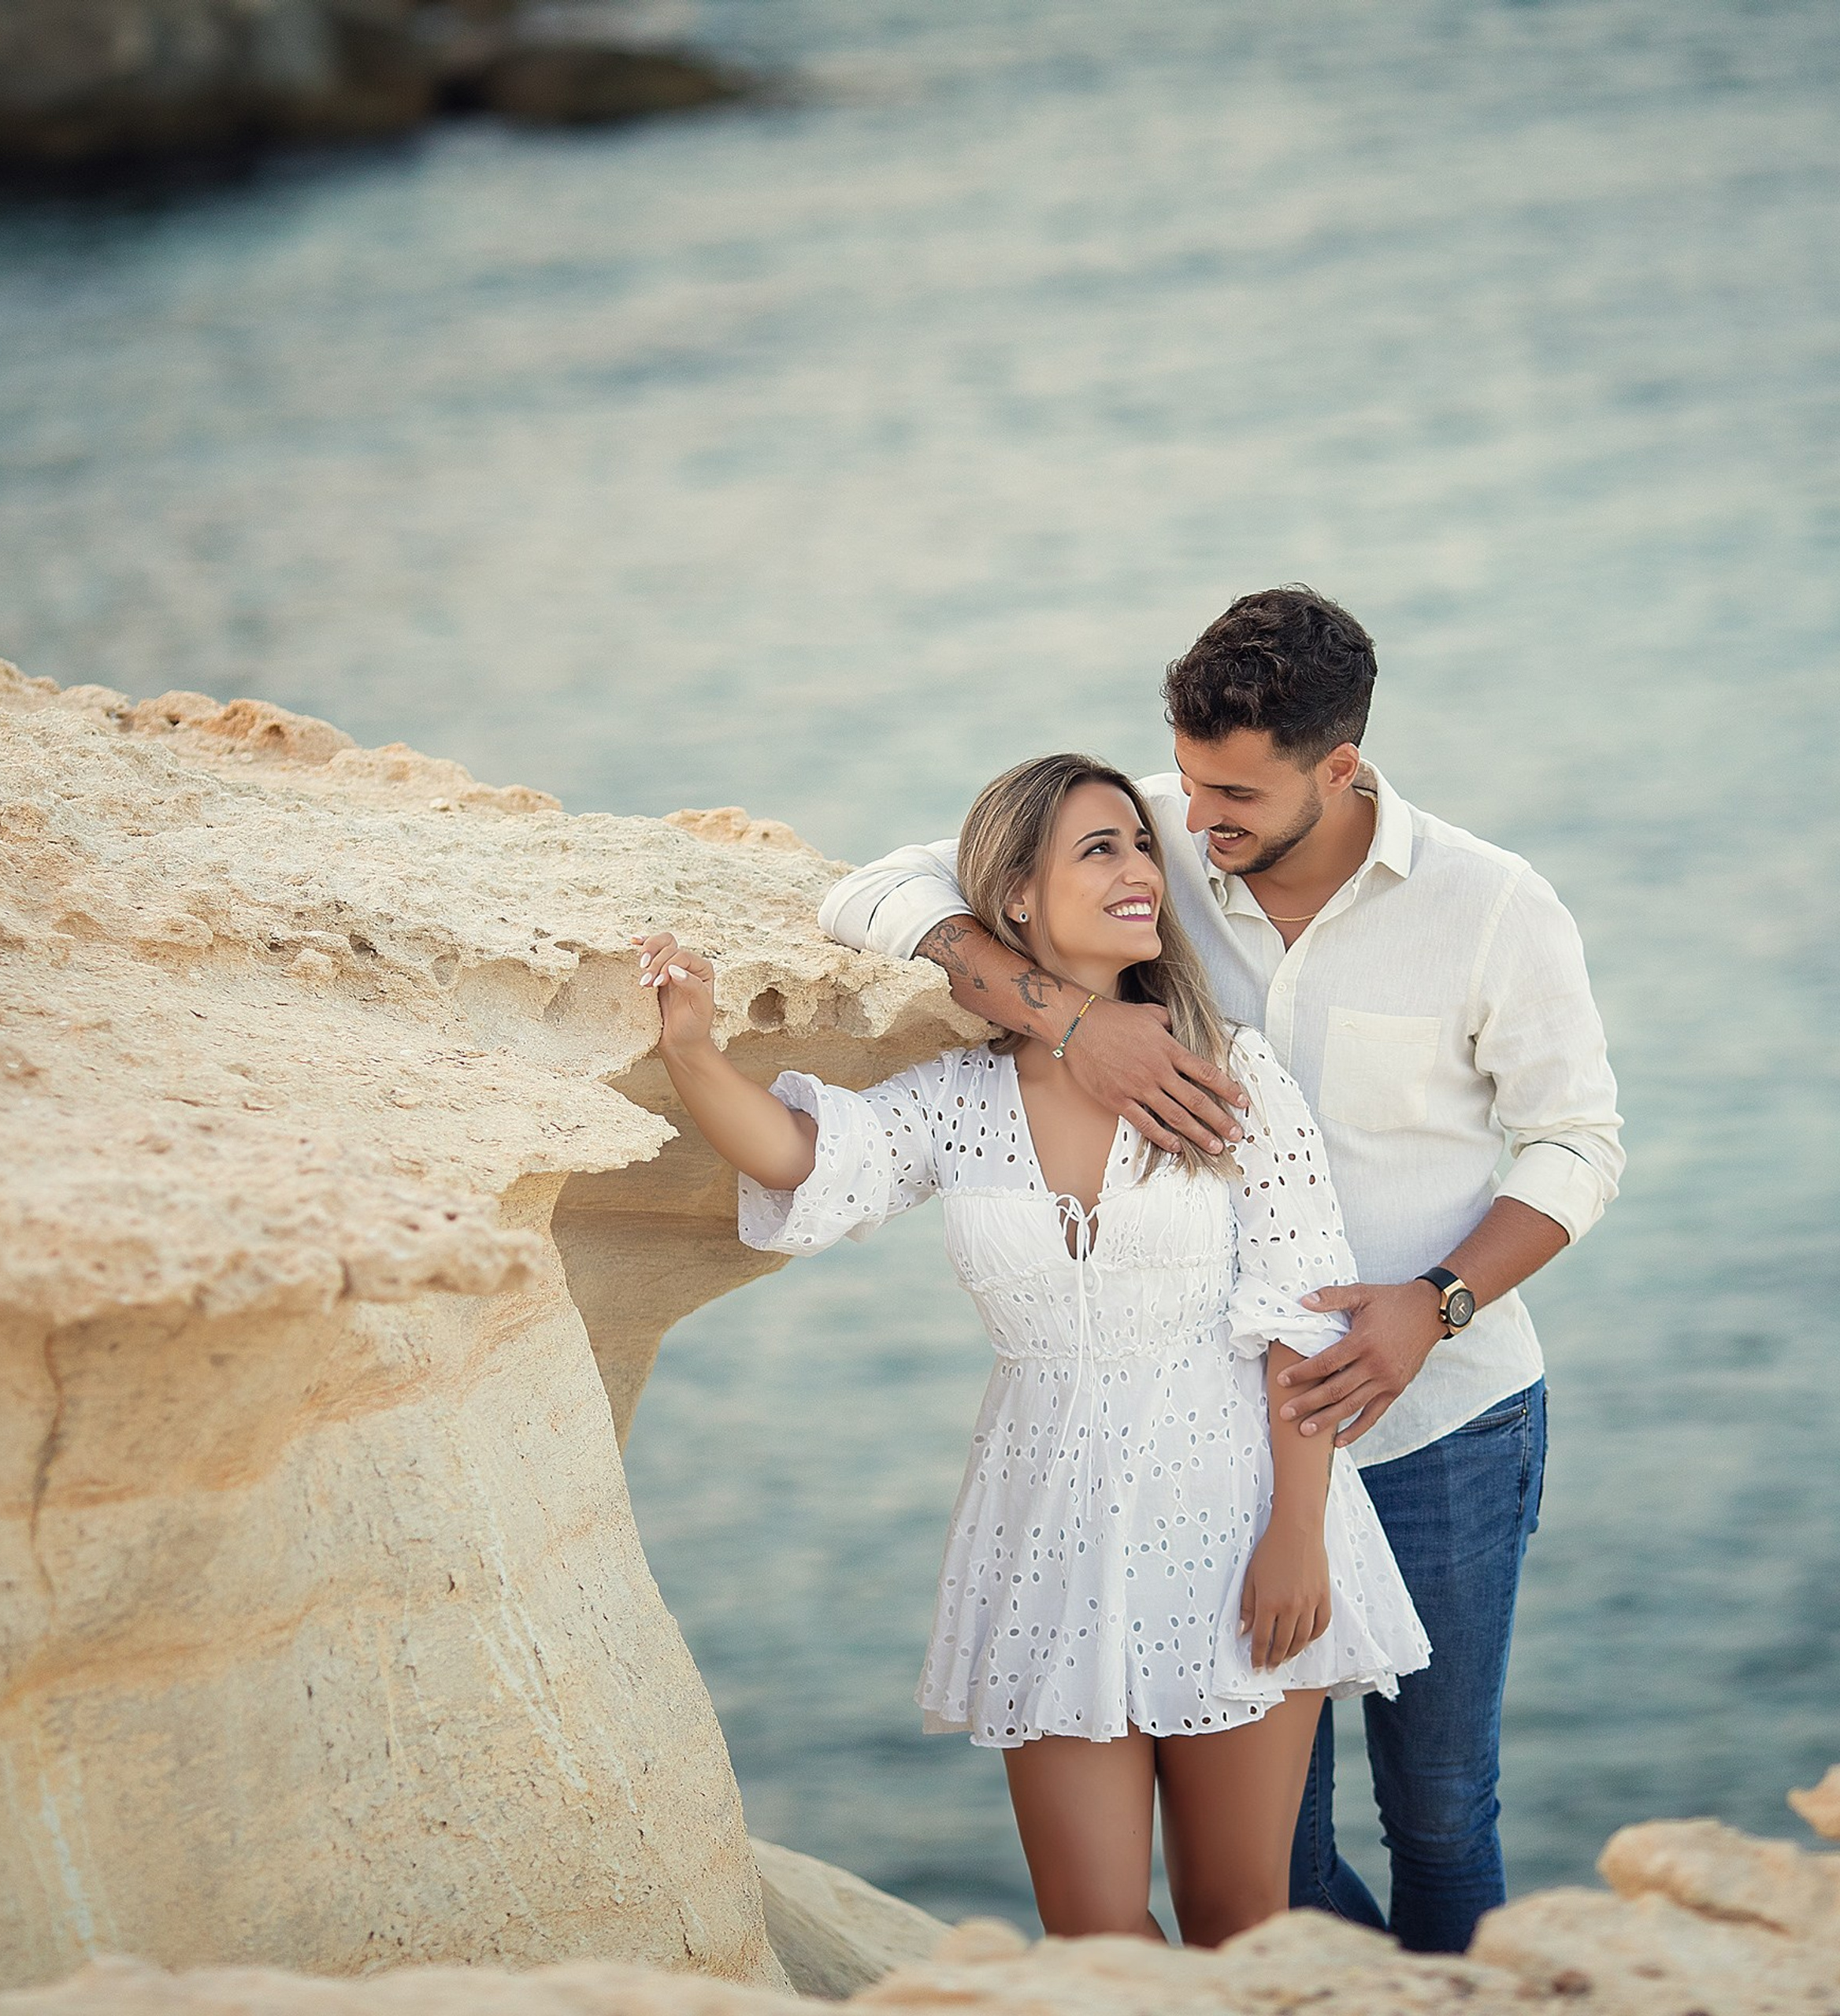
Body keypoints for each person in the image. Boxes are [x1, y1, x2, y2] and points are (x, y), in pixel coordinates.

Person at [818, 588, 1623, 1954]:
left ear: (1343, 768)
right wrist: (1069, 1020)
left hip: (1441, 1421)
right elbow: (876, 893)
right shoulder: (1148, 831)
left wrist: (1436, 1306)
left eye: (1234, 794)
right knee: (1273, 1861)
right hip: (1222, 1447)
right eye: (1185, 782)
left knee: (1437, 1812)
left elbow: (1576, 1147)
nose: (1196, 826)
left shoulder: (1492, 906)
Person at [636, 752, 1428, 1947]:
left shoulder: (1230, 1069)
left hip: (1236, 1511)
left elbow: (1302, 1318)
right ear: (1013, 899)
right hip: (1046, 1533)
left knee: (1236, 1922)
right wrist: (695, 1050)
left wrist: (1299, 1537)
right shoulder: (957, 1098)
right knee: (1093, 1940)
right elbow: (804, 1158)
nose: (1138, 870)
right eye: (1097, 849)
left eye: (1139, 845)